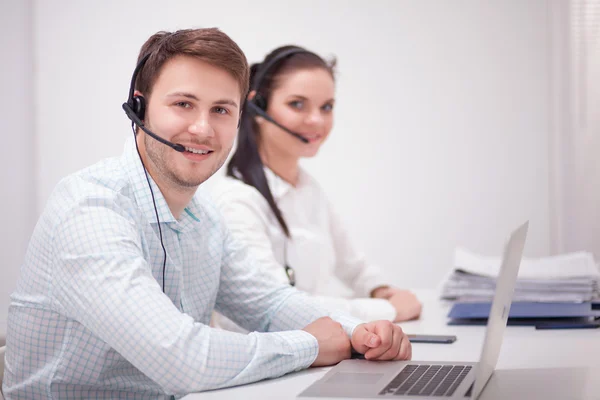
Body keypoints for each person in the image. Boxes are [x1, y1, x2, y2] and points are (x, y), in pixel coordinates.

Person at [2, 29, 411, 399]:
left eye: (221, 110)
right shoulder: (90, 208)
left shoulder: (204, 217)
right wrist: (311, 345)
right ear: (140, 109)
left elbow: (268, 303)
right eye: (184, 104)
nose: (202, 129)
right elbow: (180, 358)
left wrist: (357, 331)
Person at [209, 46, 422, 333]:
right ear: (257, 106)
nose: (317, 121)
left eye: (327, 107)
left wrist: (381, 290)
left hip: (317, 353)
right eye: (297, 104)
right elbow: (281, 309)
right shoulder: (236, 201)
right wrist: (390, 310)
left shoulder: (308, 189)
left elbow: (353, 265)